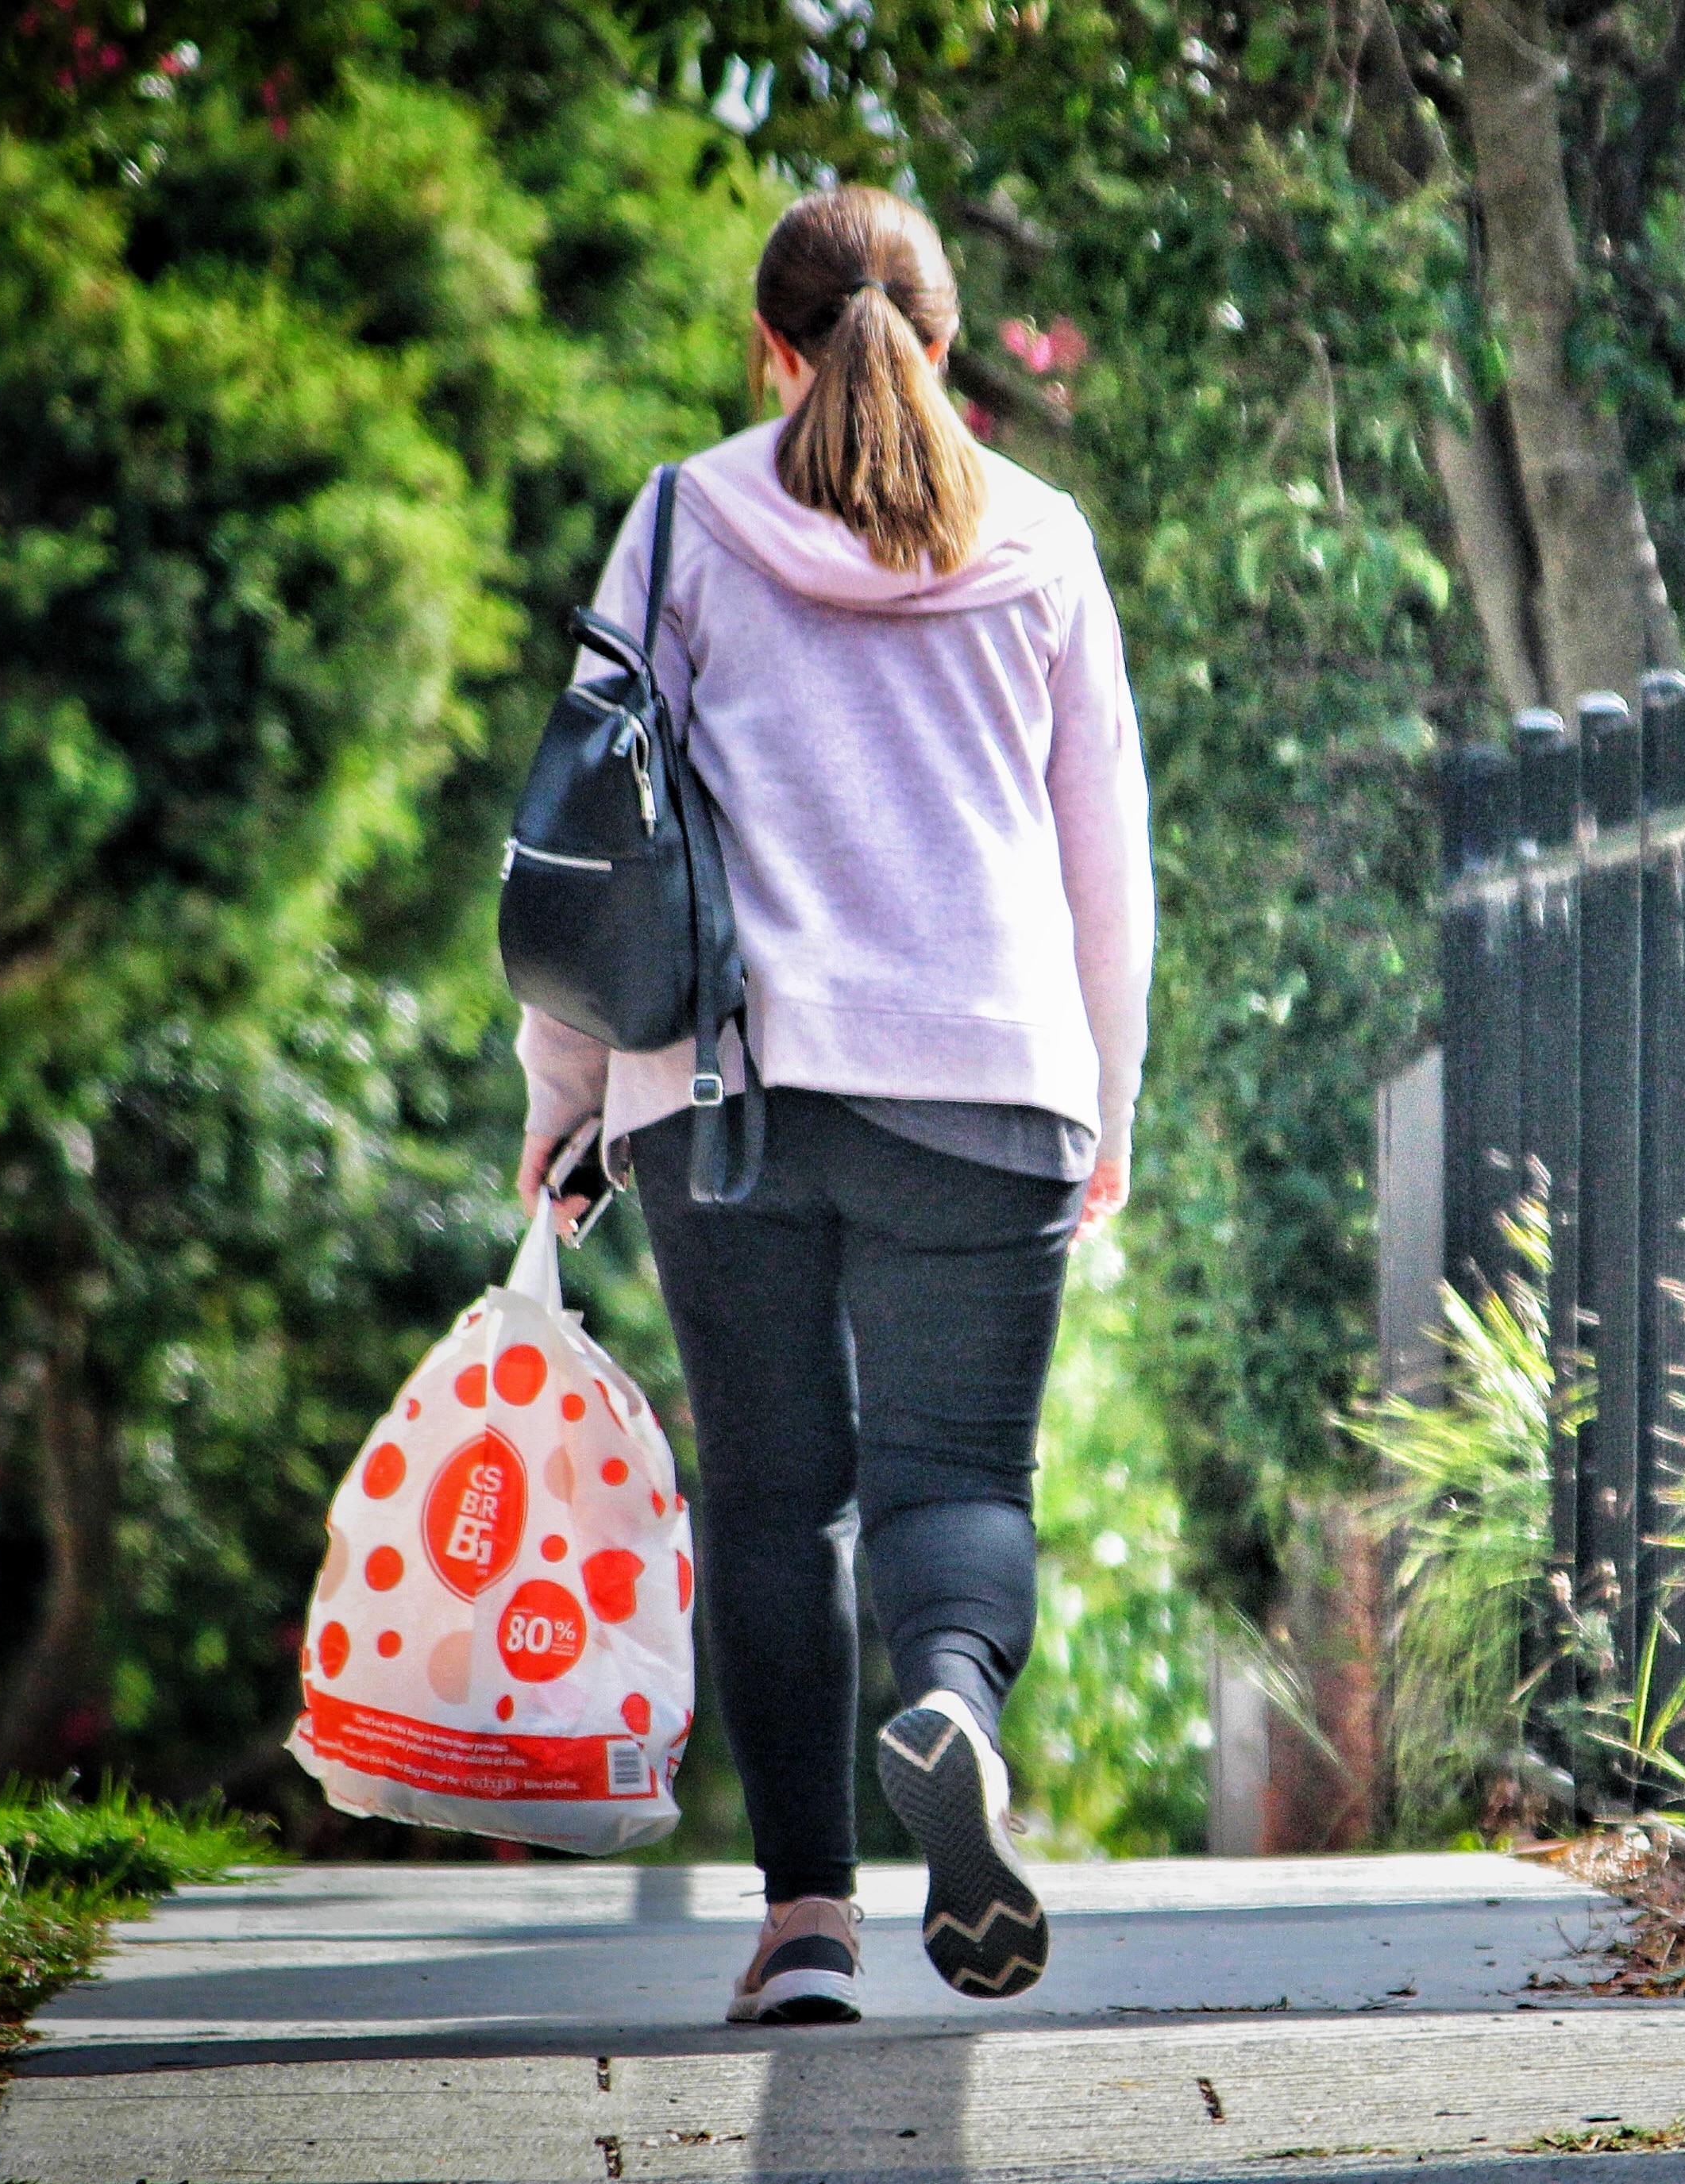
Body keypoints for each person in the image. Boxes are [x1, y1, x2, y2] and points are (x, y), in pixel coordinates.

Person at [512, 185, 1150, 2025]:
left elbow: (585, 837)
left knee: (776, 1497)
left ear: (768, 352)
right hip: (989, 1087)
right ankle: (947, 1697)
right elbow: (1106, 863)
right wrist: (1104, 1106)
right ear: (940, 346)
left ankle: (806, 1924)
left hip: (729, 1099)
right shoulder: (1043, 540)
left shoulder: (680, 518)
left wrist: (569, 1105)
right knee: (960, 1477)